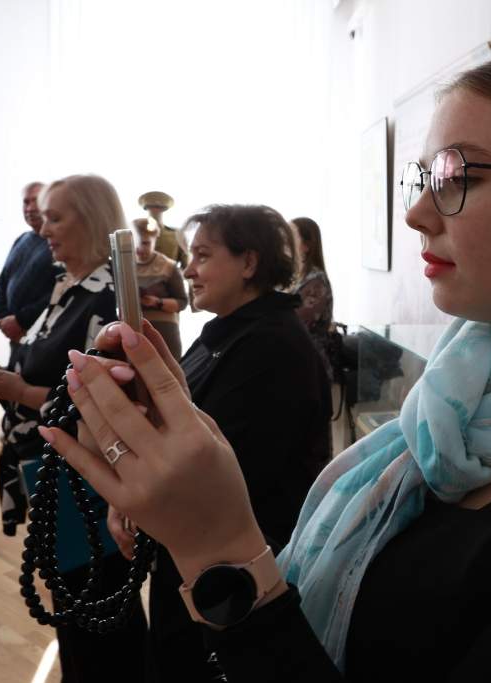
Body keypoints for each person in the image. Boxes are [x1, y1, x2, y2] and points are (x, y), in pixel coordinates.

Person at [47, 55, 491, 681]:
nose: (418, 213)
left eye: (461, 178)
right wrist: (182, 485)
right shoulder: (447, 406)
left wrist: (218, 545)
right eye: (424, 180)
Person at [109, 204, 331, 680]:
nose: (188, 270)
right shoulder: (229, 331)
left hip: (231, 577)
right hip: (197, 558)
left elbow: (212, 470)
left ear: (248, 263)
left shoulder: (272, 346)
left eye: (203, 256)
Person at [0, 175, 147, 682]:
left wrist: (20, 391)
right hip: (55, 473)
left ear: (93, 219)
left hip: (86, 481)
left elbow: (108, 405)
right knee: (77, 609)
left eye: (56, 217)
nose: (43, 230)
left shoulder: (108, 299)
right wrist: (12, 380)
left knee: (98, 613)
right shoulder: (67, 286)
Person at [0, 182, 59, 370]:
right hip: (15, 337)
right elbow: (3, 282)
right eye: (26, 202)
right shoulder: (22, 239)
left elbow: (60, 290)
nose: (29, 208)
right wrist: (1, 319)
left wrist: (21, 320)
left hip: (43, 337)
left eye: (35, 201)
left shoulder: (59, 243)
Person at [132, 217, 187, 358]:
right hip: (133, 330)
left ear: (154, 240)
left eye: (145, 243)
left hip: (165, 331)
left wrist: (158, 302)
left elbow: (182, 302)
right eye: (135, 243)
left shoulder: (168, 266)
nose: (139, 248)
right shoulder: (123, 266)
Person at [290, 217, 334, 380]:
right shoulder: (292, 277)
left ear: (306, 246)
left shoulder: (316, 281)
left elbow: (295, 325)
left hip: (309, 367)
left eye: (291, 236)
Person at [137, 191, 188, 268]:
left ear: (164, 209)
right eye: (151, 207)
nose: (155, 211)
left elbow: (185, 265)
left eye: (158, 207)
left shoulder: (176, 234)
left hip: (170, 274)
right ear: (146, 208)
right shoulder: (136, 235)